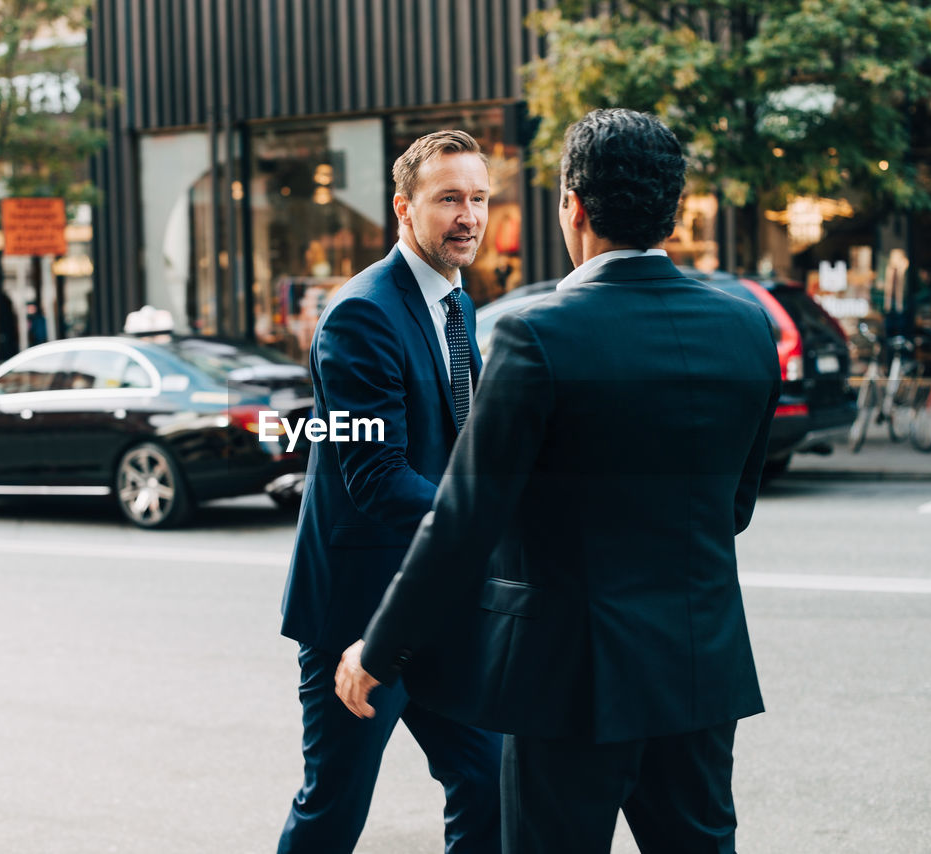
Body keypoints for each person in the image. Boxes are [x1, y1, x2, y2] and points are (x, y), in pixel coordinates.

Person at [335, 110, 782, 854]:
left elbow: (464, 520)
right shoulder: (745, 327)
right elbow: (733, 508)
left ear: (572, 205)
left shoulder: (537, 334)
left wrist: (378, 651)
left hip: (572, 681)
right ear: (674, 210)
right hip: (701, 669)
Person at [276, 130, 501, 854]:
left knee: (489, 782)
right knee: (333, 809)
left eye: (478, 199)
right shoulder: (361, 314)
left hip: (438, 601)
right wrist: (487, 523)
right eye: (448, 200)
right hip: (358, 609)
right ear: (404, 209)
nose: (468, 216)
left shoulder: (459, 303)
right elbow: (375, 478)